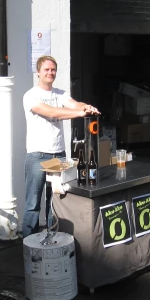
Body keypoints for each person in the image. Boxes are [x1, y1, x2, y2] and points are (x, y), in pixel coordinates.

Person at [22, 56, 99, 238]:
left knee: (55, 201)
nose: (50, 73)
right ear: (38, 72)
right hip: (37, 155)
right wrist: (80, 113)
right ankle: (28, 244)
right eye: (46, 69)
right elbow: (52, 112)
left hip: (59, 155)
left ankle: (52, 239)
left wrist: (85, 107)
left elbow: (74, 104)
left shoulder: (60, 93)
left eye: (53, 70)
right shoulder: (31, 95)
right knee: (33, 204)